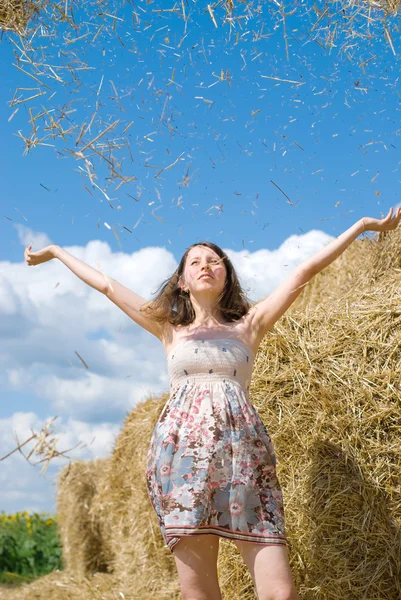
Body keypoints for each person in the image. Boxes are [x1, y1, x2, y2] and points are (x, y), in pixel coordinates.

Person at [24, 207, 401, 600]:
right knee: (200, 592)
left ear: (226, 276)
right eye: (195, 262)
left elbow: (304, 272)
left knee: (280, 592)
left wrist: (361, 227)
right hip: (181, 462)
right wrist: (55, 251)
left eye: (214, 260)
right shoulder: (168, 327)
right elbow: (105, 284)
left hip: (244, 459)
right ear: (183, 281)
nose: (206, 265)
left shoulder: (250, 324)